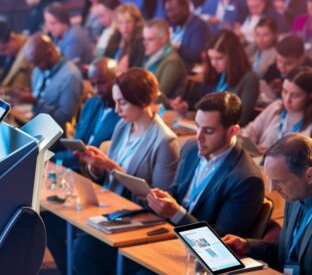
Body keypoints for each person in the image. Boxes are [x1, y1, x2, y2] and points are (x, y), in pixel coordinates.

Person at [70, 68, 180, 275]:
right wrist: (96, 165)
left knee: (84, 249)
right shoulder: (123, 125)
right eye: (116, 101)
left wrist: (111, 166)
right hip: (111, 207)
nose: (117, 108)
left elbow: (159, 200)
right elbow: (106, 177)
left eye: (123, 102)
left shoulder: (165, 141)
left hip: (139, 218)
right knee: (71, 237)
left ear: (143, 100)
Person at [147, 92, 265, 237]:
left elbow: (222, 239)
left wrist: (176, 214)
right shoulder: (190, 148)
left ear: (232, 131)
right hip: (168, 234)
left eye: (208, 131)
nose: (198, 137)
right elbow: (176, 192)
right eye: (197, 127)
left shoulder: (246, 180)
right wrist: (160, 199)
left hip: (200, 252)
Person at [223, 134, 312, 274]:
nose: (272, 189)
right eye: (270, 180)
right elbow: (287, 252)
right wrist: (247, 246)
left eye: (280, 182)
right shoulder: (294, 197)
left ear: (309, 176)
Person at [172, 30, 259, 125]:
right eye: (211, 58)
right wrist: (186, 106)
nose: (213, 63)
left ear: (233, 57)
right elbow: (203, 104)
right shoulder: (217, 73)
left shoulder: (250, 79)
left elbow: (241, 120)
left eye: (219, 58)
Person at [52, 57, 121, 169]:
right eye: (93, 85)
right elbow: (78, 140)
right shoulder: (91, 103)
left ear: (117, 80)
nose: (97, 90)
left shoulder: (123, 115)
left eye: (102, 83)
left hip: (95, 171)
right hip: (73, 161)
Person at [9, 33, 83, 127]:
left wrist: (35, 102)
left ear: (50, 53)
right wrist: (28, 94)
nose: (35, 67)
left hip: (54, 133)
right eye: (33, 63)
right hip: (34, 123)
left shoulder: (70, 76)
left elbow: (64, 119)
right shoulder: (39, 69)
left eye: (38, 62)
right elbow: (42, 97)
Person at [242, 66, 312, 152]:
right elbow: (250, 131)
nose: (287, 100)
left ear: (309, 96)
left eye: (295, 95)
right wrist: (253, 147)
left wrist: (273, 155)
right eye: (285, 91)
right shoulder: (276, 107)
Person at [142, 18, 188, 98]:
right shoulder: (150, 56)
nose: (144, 43)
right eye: (144, 39)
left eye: (150, 39)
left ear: (164, 39)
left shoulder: (173, 62)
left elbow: (158, 96)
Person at [165, 0, 211, 67]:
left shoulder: (198, 25)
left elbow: (197, 55)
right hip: (171, 64)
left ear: (185, 7)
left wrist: (177, 47)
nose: (170, 14)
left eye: (173, 10)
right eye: (168, 11)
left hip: (188, 69)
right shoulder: (173, 23)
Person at [0, 21, 31, 89]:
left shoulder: (30, 52)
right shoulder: (14, 52)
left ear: (12, 38)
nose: (2, 54)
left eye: (3, 49)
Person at [104, 3, 146, 73]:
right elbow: (105, 61)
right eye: (121, 22)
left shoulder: (140, 42)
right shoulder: (114, 39)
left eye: (128, 22)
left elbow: (136, 69)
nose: (125, 26)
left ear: (136, 23)